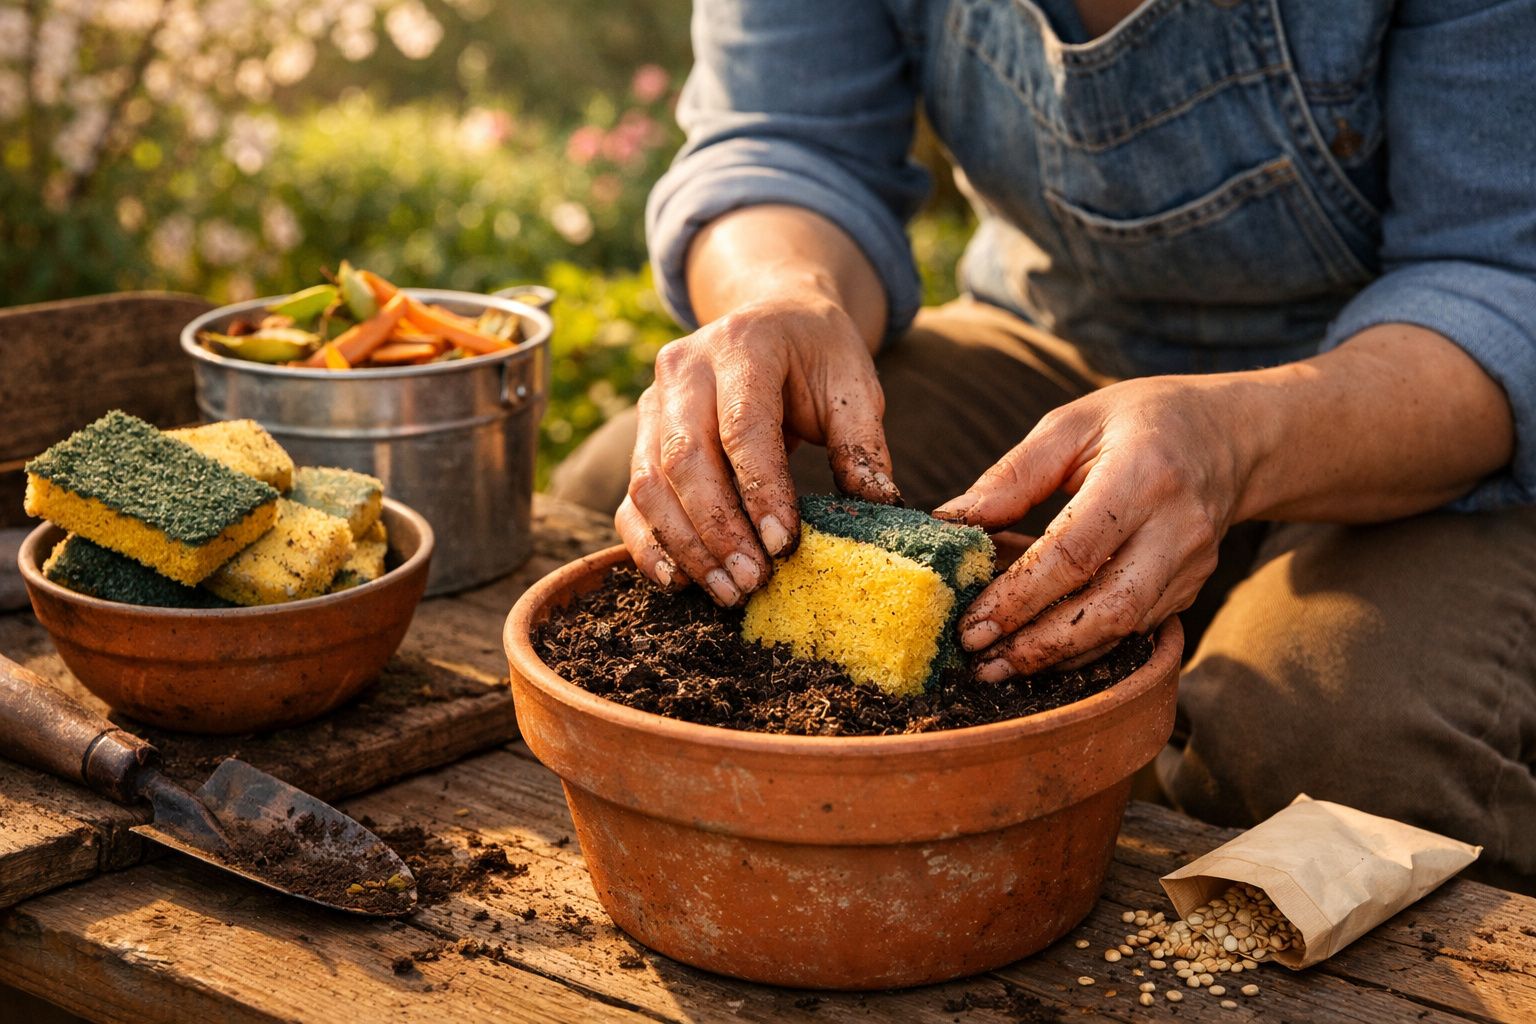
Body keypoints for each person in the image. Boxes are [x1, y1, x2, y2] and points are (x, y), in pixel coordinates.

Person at [550, 0, 1536, 890]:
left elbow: (1498, 272)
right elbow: (782, 141)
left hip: (1433, 394)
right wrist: (783, 293)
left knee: (1328, 740)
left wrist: (1233, 440)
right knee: (649, 515)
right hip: (1063, 332)